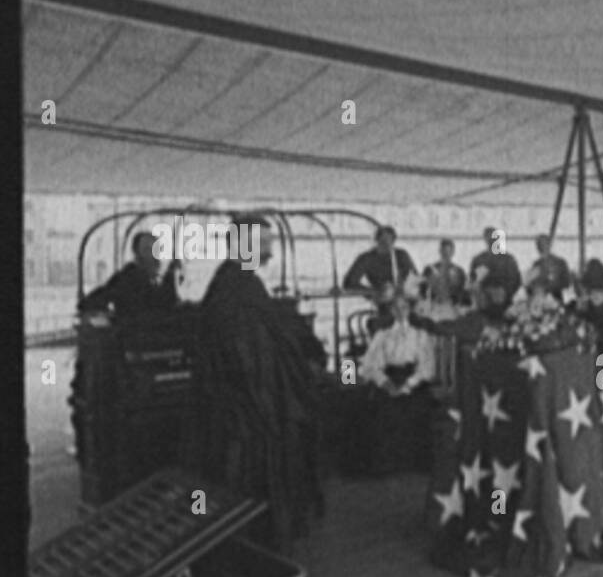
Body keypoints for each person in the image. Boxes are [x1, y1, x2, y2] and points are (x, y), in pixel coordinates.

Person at [185, 217, 323, 552]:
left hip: (238, 403)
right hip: (245, 412)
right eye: (263, 242)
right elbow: (250, 359)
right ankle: (251, 543)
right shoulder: (238, 289)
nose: (270, 249)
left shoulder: (236, 283)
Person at [78, 230, 180, 318]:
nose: (154, 256)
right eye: (147, 249)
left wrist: (170, 275)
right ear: (136, 253)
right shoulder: (127, 278)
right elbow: (91, 302)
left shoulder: (153, 280)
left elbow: (166, 304)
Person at [359, 294, 435, 395]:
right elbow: (370, 364)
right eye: (396, 308)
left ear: (410, 309)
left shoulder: (420, 335)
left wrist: (409, 385)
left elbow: (426, 368)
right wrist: (386, 383)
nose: (400, 312)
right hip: (388, 380)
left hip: (414, 383)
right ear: (391, 310)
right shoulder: (382, 335)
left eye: (404, 307)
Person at [343, 225, 417, 296]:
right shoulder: (367, 258)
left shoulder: (401, 255)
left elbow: (415, 277)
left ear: (393, 241)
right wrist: (374, 292)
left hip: (404, 297)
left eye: (390, 240)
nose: (387, 244)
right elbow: (349, 283)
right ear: (376, 240)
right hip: (382, 300)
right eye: (383, 241)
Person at [469, 226, 522, 305]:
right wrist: (483, 290)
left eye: (493, 237)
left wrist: (505, 291)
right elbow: (473, 280)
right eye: (488, 238)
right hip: (483, 299)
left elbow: (516, 280)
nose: (491, 241)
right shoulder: (479, 260)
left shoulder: (508, 259)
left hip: (504, 299)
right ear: (485, 239)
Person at [526, 232, 572, 299]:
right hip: (538, 299)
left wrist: (547, 287)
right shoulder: (536, 264)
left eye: (544, 244)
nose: (541, 247)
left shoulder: (560, 263)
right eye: (539, 245)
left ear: (549, 245)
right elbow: (530, 284)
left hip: (555, 299)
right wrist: (532, 287)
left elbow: (567, 283)